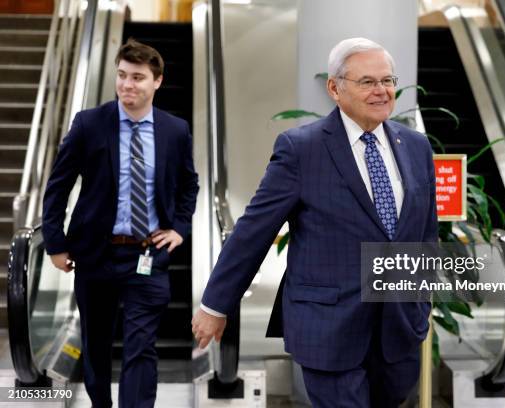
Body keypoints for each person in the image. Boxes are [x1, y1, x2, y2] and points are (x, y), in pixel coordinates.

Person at [192, 37, 437, 407]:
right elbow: (254, 231)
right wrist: (215, 305)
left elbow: (425, 234)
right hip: (329, 328)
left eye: (387, 80)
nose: (382, 91)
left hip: (398, 329)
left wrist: (421, 297)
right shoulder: (301, 149)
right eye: (367, 82)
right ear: (335, 88)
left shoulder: (416, 146)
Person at [42, 39, 199, 408]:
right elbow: (57, 186)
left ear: (157, 81)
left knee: (141, 347)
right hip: (95, 255)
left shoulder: (174, 130)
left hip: (148, 255)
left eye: (138, 77)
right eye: (122, 75)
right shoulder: (89, 124)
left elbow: (189, 184)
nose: (127, 84)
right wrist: (55, 242)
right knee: (96, 346)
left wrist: (178, 228)